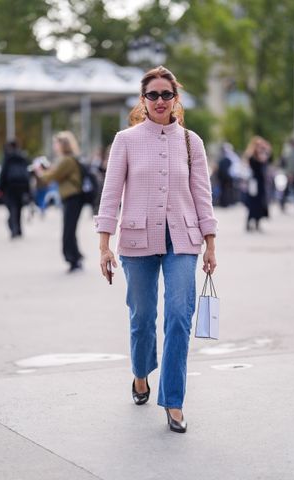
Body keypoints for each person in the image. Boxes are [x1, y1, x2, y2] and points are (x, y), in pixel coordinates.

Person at [94, 66, 218, 433]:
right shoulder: (126, 140)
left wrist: (210, 243)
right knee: (142, 318)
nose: (160, 101)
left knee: (180, 315)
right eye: (153, 95)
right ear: (143, 100)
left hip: (184, 240)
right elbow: (111, 194)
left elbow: (202, 195)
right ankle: (140, 374)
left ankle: (174, 400)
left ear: (175, 98)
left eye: (167, 94)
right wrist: (104, 245)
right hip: (135, 241)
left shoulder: (191, 142)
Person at [35, 131, 84, 272]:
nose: (54, 146)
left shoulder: (67, 160)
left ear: (63, 144)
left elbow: (53, 176)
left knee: (68, 230)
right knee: (70, 229)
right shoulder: (67, 159)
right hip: (72, 198)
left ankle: (73, 259)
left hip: (73, 197)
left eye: (56, 143)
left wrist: (40, 172)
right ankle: (76, 257)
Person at [0, 139, 30, 238]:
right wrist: (28, 189)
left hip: (10, 187)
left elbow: (3, 173)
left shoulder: (8, 158)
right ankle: (19, 229)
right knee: (19, 208)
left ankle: (14, 229)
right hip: (21, 186)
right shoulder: (22, 157)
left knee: (12, 208)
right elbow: (27, 174)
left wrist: (0, 187)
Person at [243, 136, 272, 232]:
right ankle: (249, 223)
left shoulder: (262, 155)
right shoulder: (252, 157)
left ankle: (257, 223)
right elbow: (259, 162)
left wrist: (266, 149)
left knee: (260, 204)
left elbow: (269, 159)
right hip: (254, 183)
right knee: (253, 204)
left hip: (261, 183)